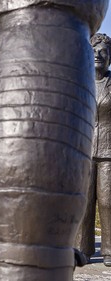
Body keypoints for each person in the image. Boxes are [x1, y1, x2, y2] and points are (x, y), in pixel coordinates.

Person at [76, 33, 111, 267]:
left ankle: (109, 250)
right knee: (85, 201)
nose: (98, 54)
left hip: (109, 151)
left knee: (108, 201)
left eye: (103, 51)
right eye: (94, 51)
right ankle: (83, 248)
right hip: (85, 149)